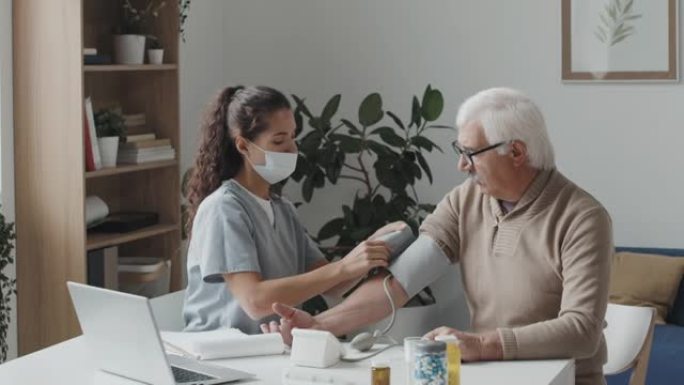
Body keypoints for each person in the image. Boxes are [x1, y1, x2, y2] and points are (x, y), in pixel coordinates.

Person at [269, 88, 613, 385]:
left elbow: (582, 331)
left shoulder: (582, 218)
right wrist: (318, 325)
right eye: (459, 151)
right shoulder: (467, 200)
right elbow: (401, 283)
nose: (462, 166)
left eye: (471, 154)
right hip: (492, 376)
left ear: (517, 153)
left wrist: (483, 345)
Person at [183, 85, 404, 334]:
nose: (292, 149)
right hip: (222, 354)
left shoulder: (283, 210)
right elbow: (255, 301)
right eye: (279, 140)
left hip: (269, 350)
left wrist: (372, 246)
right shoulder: (223, 208)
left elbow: (332, 285)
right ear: (243, 146)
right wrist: (343, 266)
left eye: (292, 136)